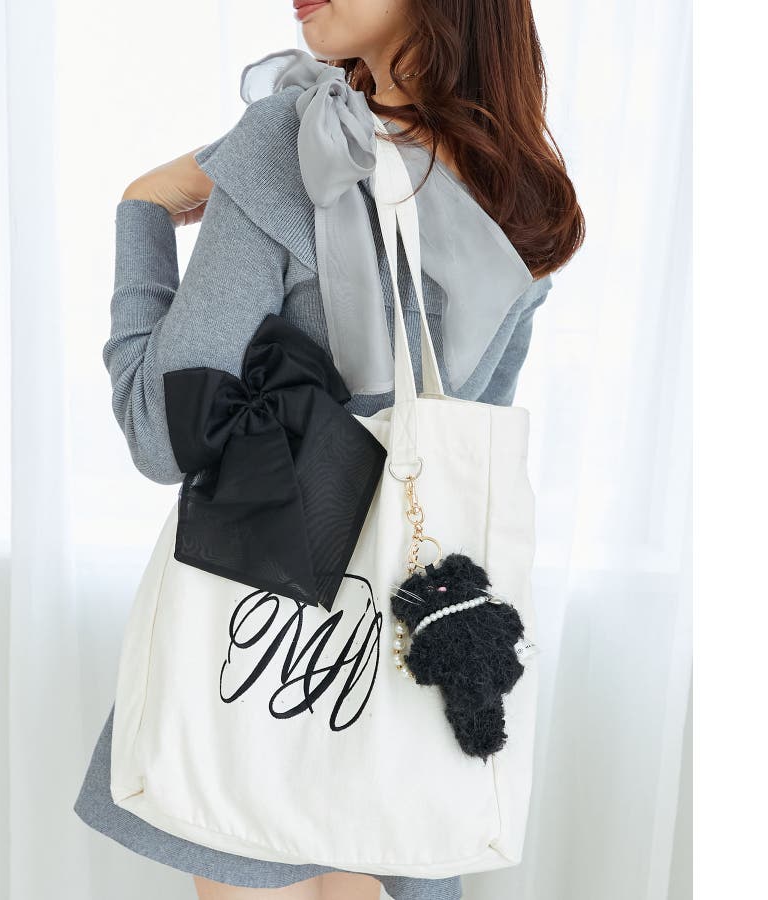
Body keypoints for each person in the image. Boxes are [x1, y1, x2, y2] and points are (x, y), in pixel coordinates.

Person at [74, 3, 584, 899]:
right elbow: (466, 459)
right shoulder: (521, 196)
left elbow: (161, 431)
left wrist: (143, 207)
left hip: (266, 658)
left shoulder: (292, 145)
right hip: (411, 667)